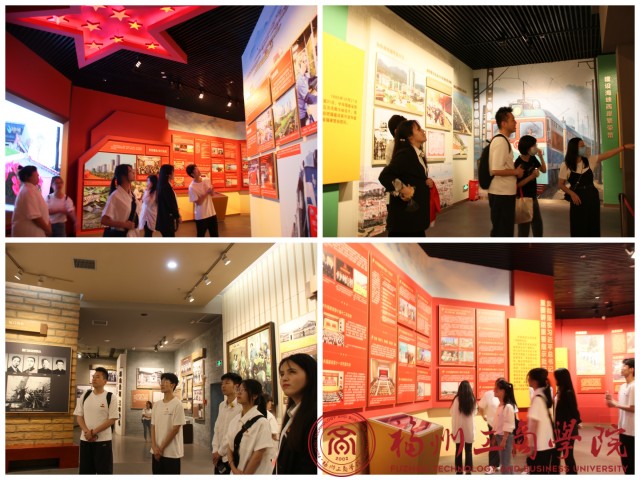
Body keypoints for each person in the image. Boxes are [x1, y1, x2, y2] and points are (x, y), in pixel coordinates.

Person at [558, 139, 634, 237]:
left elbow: (607, 155)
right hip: (577, 198)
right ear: (574, 148)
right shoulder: (565, 165)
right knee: (579, 225)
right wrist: (572, 193)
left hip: (592, 196)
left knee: (593, 224)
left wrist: (623, 147)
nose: (584, 148)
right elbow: (561, 184)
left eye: (584, 145)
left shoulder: (589, 160)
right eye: (582, 146)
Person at [378, 120, 434, 237]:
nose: (423, 131)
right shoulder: (406, 154)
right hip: (405, 221)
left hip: (414, 218)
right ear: (410, 136)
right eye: (418, 129)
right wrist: (402, 189)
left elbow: (411, 175)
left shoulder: (416, 153)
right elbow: (385, 176)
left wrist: (425, 180)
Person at [276, 353, 317, 474]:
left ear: (310, 375)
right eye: (282, 374)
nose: (284, 378)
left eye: (292, 372)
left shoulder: (314, 417)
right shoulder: (292, 413)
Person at [73, 367, 118, 474]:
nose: (94, 379)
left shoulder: (110, 397)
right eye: (93, 376)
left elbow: (112, 419)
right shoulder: (85, 395)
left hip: (103, 441)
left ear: (105, 381)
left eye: (97, 377)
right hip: (85, 440)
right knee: (86, 472)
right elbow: (79, 416)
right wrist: (86, 432)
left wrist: (93, 432)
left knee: (104, 472)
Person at [488, 107, 524, 237]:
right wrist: (516, 172)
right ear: (503, 123)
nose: (515, 122)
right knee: (503, 232)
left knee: (504, 230)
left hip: (504, 194)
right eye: (512, 120)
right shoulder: (500, 141)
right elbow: (496, 169)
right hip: (501, 195)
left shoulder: (503, 140)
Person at [226, 379, 274, 475]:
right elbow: (229, 446)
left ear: (255, 395)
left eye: (244, 390)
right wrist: (233, 468)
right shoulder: (234, 420)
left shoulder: (262, 423)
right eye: (238, 389)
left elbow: (258, 456)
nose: (239, 392)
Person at [151, 372, 185, 474]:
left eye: (166, 381)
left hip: (171, 453)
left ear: (173, 385)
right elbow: (153, 426)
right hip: (156, 452)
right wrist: (154, 447)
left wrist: (161, 448)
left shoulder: (177, 404)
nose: (162, 383)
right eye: (161, 381)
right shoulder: (156, 405)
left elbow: (175, 429)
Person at [606, 358, 634, 475]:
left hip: (633, 432)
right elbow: (622, 405)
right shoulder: (622, 386)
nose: (621, 368)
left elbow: (633, 408)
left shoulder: (634, 386)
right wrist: (611, 400)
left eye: (624, 366)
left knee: (632, 462)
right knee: (625, 461)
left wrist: (615, 404)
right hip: (622, 429)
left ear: (632, 369)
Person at [526, 368, 557, 474]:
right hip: (545, 444)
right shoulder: (542, 396)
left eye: (529, 378)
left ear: (534, 381)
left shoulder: (537, 399)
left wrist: (532, 446)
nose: (528, 380)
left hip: (540, 446)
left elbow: (534, 424)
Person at [514, 135, 546, 237]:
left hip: (533, 198)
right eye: (534, 145)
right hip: (523, 199)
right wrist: (532, 176)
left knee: (538, 227)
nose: (536, 147)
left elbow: (544, 170)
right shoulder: (518, 163)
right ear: (528, 148)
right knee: (524, 230)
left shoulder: (532, 158)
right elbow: (517, 185)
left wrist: (540, 156)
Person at [212, 372, 242, 475]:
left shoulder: (240, 407)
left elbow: (233, 434)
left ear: (236, 386)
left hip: (230, 457)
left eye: (227, 383)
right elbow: (217, 428)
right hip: (218, 456)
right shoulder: (222, 405)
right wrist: (215, 449)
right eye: (222, 383)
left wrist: (220, 452)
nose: (223, 386)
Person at [553, 368, 581, 474]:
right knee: (557, 454)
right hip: (560, 428)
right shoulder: (560, 391)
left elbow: (573, 409)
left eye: (556, 378)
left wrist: (577, 421)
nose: (555, 380)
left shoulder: (567, 392)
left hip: (567, 429)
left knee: (567, 456)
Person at [11, 165, 52, 237]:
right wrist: (48, 229)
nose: (38, 177)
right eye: (36, 175)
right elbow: (34, 216)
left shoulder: (31, 189)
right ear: (28, 177)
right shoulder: (28, 191)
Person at [101, 164, 140, 237]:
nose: (133, 172)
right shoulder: (115, 196)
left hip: (133, 235)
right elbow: (104, 220)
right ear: (123, 176)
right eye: (130, 171)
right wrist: (124, 224)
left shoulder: (132, 194)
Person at [450, 380, 477, 474]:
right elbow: (475, 412)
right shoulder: (472, 399)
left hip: (458, 429)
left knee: (458, 450)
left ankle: (459, 471)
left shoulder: (456, 400)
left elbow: (452, 413)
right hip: (469, 429)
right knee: (468, 450)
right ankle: (468, 471)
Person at [478, 379, 503, 474]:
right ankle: (491, 466)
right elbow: (480, 407)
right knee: (493, 445)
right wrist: (483, 416)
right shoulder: (489, 394)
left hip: (504, 424)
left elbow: (513, 409)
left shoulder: (508, 395)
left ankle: (497, 464)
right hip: (492, 424)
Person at [186, 164, 218, 237]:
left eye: (198, 168)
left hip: (212, 213)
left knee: (215, 235)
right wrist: (207, 192)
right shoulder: (192, 187)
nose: (199, 170)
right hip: (201, 215)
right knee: (201, 235)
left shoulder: (206, 179)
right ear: (192, 174)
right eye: (196, 170)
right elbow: (198, 202)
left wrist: (212, 190)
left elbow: (212, 194)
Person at [493, 379, 517, 475]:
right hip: (500, 436)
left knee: (505, 464)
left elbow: (508, 424)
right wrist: (495, 436)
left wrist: (504, 440)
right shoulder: (500, 405)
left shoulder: (508, 407)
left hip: (504, 437)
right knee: (506, 463)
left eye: (497, 388)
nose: (494, 390)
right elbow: (498, 423)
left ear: (503, 391)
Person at [156, 164, 181, 237]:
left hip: (163, 218)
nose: (174, 174)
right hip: (166, 220)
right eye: (173, 172)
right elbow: (171, 204)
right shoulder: (166, 187)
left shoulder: (161, 185)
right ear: (169, 174)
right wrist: (178, 216)